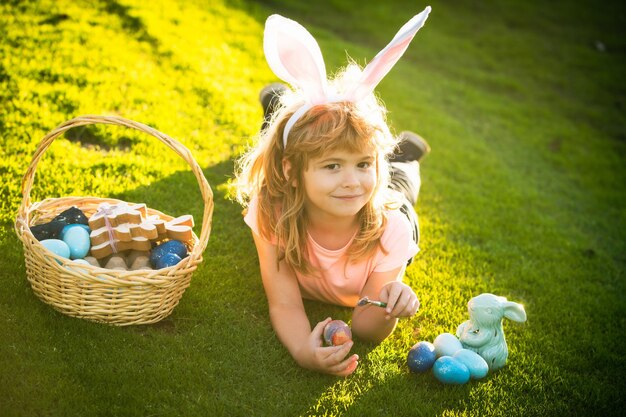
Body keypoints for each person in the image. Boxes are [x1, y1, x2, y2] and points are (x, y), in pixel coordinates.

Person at [235, 8, 431, 376]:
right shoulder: (271, 209)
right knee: (291, 134)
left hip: (388, 208)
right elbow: (284, 303)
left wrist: (390, 306)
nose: (351, 180)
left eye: (362, 164)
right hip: (305, 170)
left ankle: (407, 154)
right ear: (293, 174)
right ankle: (275, 102)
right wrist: (301, 349)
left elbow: (365, 328)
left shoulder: (392, 231)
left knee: (399, 177)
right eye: (331, 166)